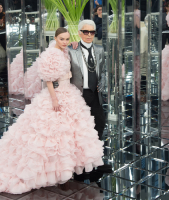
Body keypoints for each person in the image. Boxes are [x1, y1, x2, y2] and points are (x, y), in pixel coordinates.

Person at [0, 27, 104, 194]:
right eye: (61, 39)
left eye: (66, 39)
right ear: (55, 38)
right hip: (57, 94)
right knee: (50, 132)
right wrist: (55, 99)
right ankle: (51, 168)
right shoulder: (51, 54)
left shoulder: (65, 51)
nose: (64, 42)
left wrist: (72, 44)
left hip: (69, 93)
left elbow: (71, 53)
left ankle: (64, 166)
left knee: (69, 132)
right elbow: (48, 80)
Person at [53, 20, 113, 180]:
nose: (88, 35)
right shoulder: (72, 50)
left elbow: (104, 70)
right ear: (79, 33)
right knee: (80, 130)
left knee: (99, 123)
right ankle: (79, 164)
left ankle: (95, 160)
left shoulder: (100, 49)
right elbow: (57, 62)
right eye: (85, 32)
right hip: (78, 94)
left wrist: (102, 83)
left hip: (96, 93)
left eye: (92, 32)